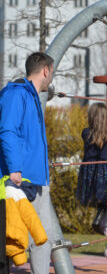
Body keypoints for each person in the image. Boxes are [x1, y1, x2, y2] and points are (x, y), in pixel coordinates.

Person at [0, 52, 55, 273]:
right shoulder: (16, 95)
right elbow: (7, 131)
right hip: (20, 181)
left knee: (44, 236)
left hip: (36, 179)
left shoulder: (31, 96)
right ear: (45, 70)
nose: (52, 76)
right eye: (52, 72)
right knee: (15, 238)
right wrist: (14, 168)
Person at [76, 103, 107, 231]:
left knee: (98, 195)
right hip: (105, 168)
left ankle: (100, 215)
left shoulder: (86, 132)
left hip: (90, 169)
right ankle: (103, 216)